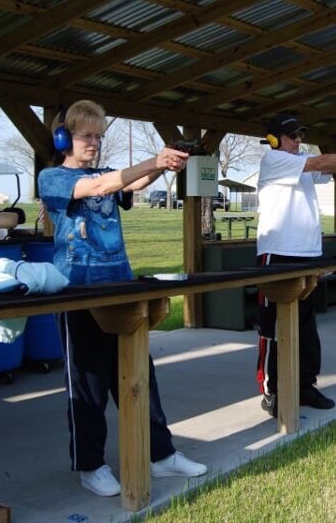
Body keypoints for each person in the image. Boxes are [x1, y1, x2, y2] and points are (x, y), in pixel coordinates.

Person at [38, 100, 207, 498]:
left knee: (140, 378)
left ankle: (161, 455)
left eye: (98, 136)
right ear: (64, 138)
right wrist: (153, 160)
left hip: (119, 287)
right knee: (88, 386)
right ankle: (90, 466)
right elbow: (99, 187)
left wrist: (163, 165)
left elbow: (127, 185)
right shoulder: (52, 178)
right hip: (77, 291)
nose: (94, 143)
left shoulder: (104, 173)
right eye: (86, 136)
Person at [255, 113, 336, 418]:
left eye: (301, 135)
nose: (298, 140)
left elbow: (327, 166)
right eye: (292, 136)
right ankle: (272, 390)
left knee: (306, 326)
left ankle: (304, 385)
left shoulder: (300, 162)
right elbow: (320, 163)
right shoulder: (273, 160)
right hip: (277, 253)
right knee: (272, 327)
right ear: (275, 139)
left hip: (307, 254)